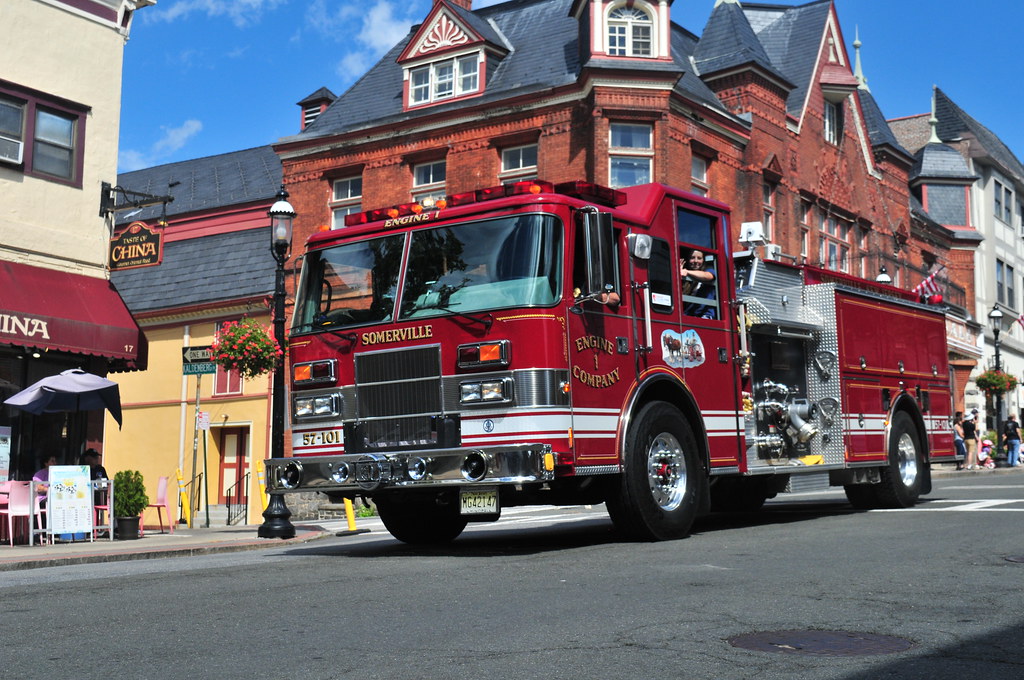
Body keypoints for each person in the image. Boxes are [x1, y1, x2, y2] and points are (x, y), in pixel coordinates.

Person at [680, 248, 717, 319]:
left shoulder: (709, 270)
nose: (696, 261)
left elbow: (708, 276)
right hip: (689, 315)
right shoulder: (686, 277)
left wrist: (687, 272)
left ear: (703, 260)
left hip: (706, 315)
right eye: (692, 258)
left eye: (699, 258)